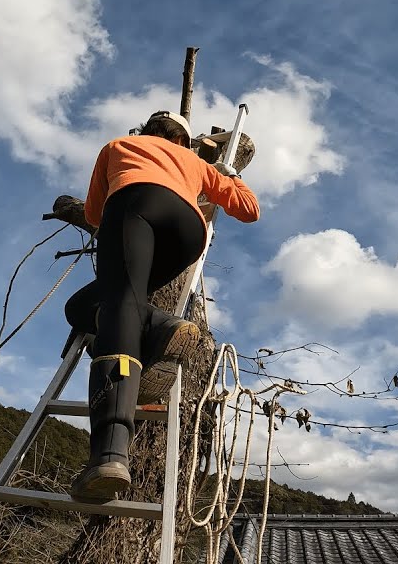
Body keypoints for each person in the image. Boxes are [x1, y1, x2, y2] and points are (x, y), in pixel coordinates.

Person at [66, 109, 260, 500]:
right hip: (187, 233)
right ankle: (161, 325)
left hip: (136, 207)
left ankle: (109, 453)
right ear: (184, 141)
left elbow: (93, 213)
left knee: (118, 308)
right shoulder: (194, 162)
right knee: (83, 305)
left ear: (147, 130)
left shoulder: (120, 145)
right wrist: (230, 175)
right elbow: (249, 210)